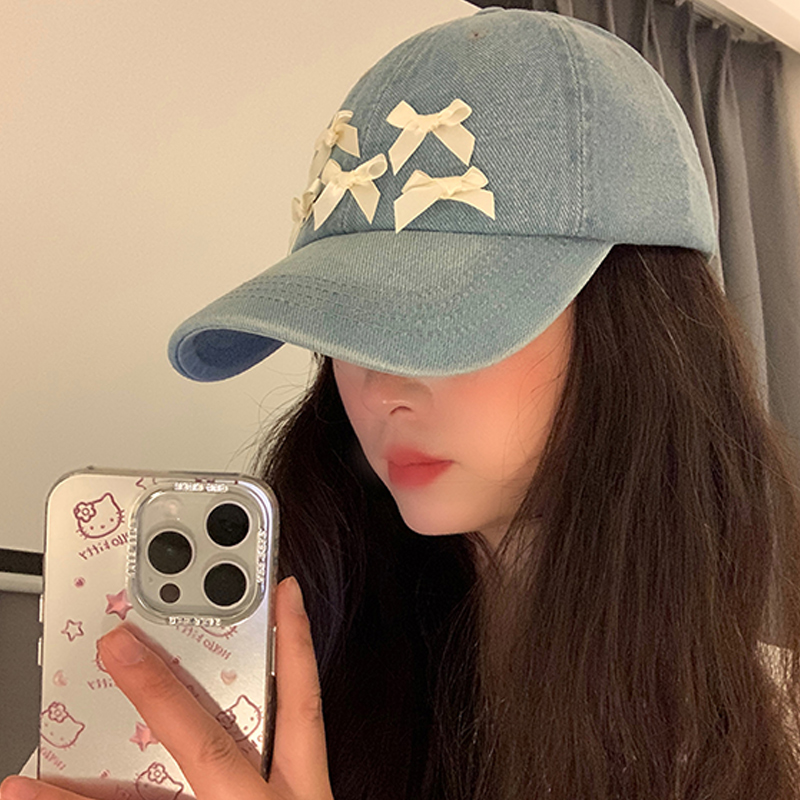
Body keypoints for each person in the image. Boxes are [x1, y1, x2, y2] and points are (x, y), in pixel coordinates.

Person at [6, 7, 800, 800]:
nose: (379, 389)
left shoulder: (767, 745)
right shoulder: (271, 688)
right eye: (346, 328)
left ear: (639, 332)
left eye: (447, 319)